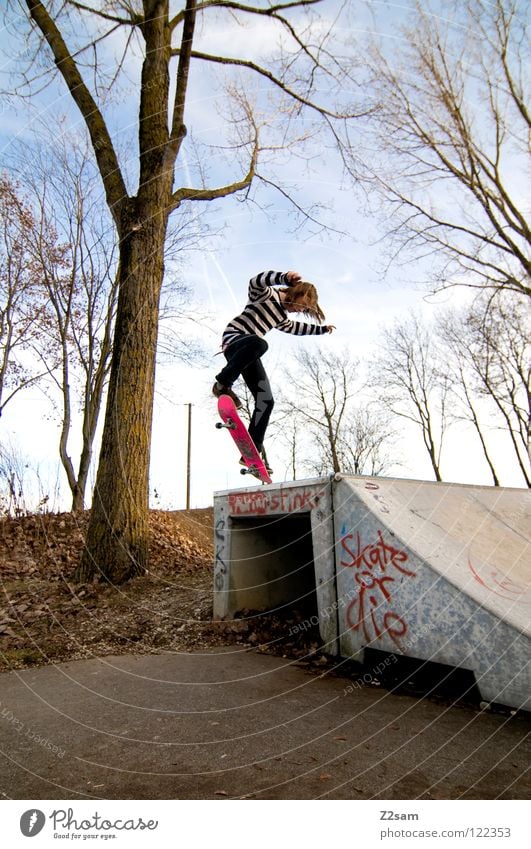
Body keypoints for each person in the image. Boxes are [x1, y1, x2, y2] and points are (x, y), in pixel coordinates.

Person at [213, 269, 335, 470]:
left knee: (266, 400)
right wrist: (283, 278)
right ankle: (222, 384)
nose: (298, 310)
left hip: (248, 353)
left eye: (303, 310)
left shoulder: (281, 318)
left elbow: (297, 328)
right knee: (260, 344)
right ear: (298, 292)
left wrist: (321, 329)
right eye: (301, 305)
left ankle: (251, 452)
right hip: (235, 339)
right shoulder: (266, 295)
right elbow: (255, 281)